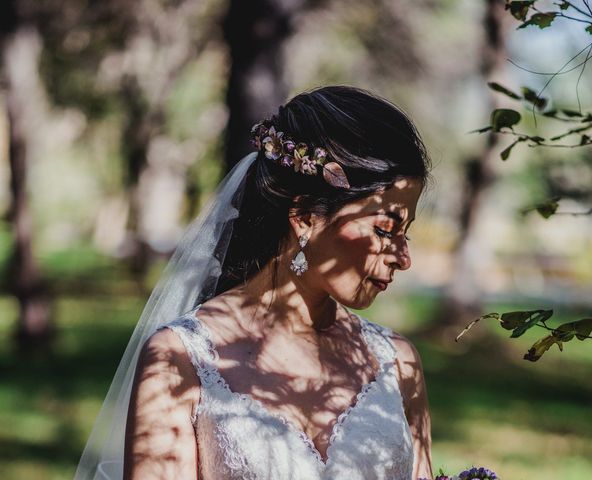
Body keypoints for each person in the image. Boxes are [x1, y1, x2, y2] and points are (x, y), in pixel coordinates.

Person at [75, 85, 433, 480]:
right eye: (385, 229)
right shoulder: (181, 357)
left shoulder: (397, 362)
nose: (403, 257)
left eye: (407, 233)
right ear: (306, 217)